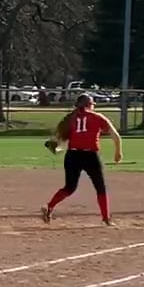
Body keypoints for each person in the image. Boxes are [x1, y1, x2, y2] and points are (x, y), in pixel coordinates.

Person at [42, 93, 122, 226]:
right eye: (92, 104)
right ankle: (106, 218)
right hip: (90, 156)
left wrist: (57, 147)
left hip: (72, 155)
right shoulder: (97, 117)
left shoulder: (69, 118)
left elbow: (58, 140)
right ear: (89, 105)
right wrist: (118, 152)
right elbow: (116, 135)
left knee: (69, 188)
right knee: (100, 187)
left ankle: (49, 206)